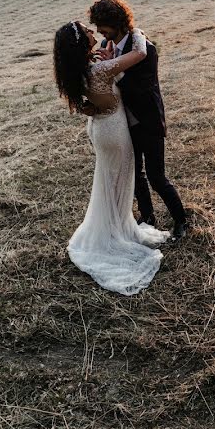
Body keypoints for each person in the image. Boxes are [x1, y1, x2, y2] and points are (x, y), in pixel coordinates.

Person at [53, 20, 169, 295]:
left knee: (110, 180)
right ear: (81, 41)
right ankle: (115, 235)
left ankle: (119, 225)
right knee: (119, 180)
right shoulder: (99, 69)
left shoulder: (80, 70)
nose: (93, 32)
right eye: (87, 31)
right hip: (114, 132)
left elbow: (90, 106)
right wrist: (137, 32)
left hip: (101, 129)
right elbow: (139, 53)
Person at [88, 0, 188, 240]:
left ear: (117, 22)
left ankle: (181, 221)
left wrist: (113, 69)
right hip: (123, 124)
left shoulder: (145, 47)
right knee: (135, 175)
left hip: (148, 120)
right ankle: (148, 218)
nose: (100, 31)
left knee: (156, 176)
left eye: (103, 25)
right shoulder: (106, 44)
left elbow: (143, 88)